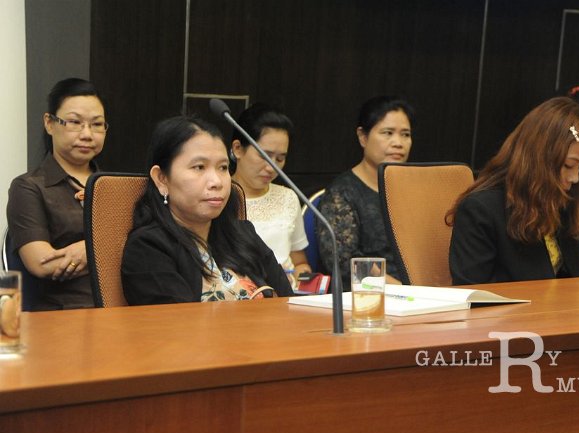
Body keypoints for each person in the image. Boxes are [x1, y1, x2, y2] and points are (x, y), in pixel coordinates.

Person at [121, 116, 292, 305]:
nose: (217, 182)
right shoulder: (148, 248)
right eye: (199, 167)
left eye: (223, 167)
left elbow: (289, 302)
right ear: (162, 179)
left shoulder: (243, 234)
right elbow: (178, 321)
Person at [448, 97, 579, 285]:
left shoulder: (562, 201)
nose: (575, 178)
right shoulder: (481, 210)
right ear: (539, 159)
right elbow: (472, 291)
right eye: (568, 165)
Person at [7, 78, 108, 310]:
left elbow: (143, 252)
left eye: (97, 124)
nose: (87, 134)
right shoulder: (29, 187)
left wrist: (89, 250)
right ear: (50, 123)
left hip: (125, 309)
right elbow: (42, 263)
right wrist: (107, 250)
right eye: (75, 122)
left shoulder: (115, 186)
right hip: (65, 312)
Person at [316, 96, 414, 290]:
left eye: (405, 134)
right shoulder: (341, 193)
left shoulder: (416, 189)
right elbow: (345, 265)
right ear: (363, 137)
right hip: (369, 296)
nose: (398, 143)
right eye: (388, 133)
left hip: (422, 291)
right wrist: (406, 290)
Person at [230, 104, 311, 289]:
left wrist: (303, 277)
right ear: (238, 148)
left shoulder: (288, 197)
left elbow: (299, 262)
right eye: (264, 156)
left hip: (285, 295)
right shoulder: (217, 197)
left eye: (280, 159)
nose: (272, 167)